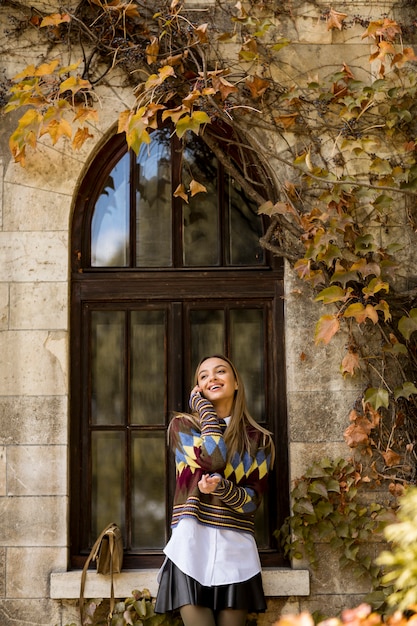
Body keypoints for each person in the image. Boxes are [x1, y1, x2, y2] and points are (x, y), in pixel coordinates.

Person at [155, 354, 275, 626]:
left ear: (235, 384)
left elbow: (251, 502)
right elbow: (214, 457)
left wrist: (223, 489)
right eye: (204, 376)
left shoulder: (259, 440)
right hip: (191, 546)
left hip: (236, 550)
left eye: (220, 372)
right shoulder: (183, 427)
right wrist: (204, 410)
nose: (212, 378)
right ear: (197, 389)